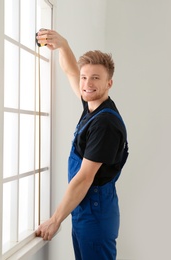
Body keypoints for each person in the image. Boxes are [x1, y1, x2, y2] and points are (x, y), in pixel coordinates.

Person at [35, 29, 129, 260]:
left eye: (95, 78)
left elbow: (85, 178)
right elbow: (70, 72)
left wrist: (55, 220)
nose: (86, 83)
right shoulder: (92, 105)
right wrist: (63, 46)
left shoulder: (104, 124)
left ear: (109, 83)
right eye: (84, 77)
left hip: (95, 209)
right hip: (85, 205)